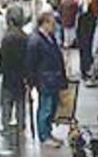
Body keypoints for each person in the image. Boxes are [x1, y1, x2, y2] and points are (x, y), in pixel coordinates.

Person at [26, 11, 67, 148]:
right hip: (45, 79)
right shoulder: (36, 40)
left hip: (52, 78)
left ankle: (48, 133)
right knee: (46, 108)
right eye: (52, 23)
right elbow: (31, 63)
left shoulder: (50, 38)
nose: (54, 26)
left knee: (52, 107)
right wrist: (31, 82)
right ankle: (44, 136)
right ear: (45, 23)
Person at [0, 4, 27, 132]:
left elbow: (2, 57)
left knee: (7, 101)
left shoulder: (7, 37)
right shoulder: (25, 37)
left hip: (8, 74)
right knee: (20, 101)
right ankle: (21, 124)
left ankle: (6, 124)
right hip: (21, 74)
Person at [77, 4, 97, 79]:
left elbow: (78, 29)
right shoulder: (93, 18)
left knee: (83, 56)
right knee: (87, 56)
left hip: (82, 39)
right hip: (88, 39)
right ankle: (87, 71)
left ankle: (84, 72)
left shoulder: (82, 17)